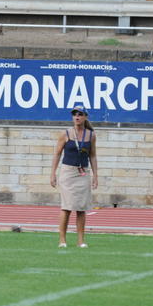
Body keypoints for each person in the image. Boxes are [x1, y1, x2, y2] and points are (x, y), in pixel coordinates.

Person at [50, 105, 98, 249]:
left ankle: (81, 241)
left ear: (85, 117)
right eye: (75, 114)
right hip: (68, 172)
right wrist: (53, 173)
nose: (77, 117)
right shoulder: (65, 134)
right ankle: (62, 240)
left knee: (81, 208)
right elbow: (57, 153)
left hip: (83, 173)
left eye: (80, 114)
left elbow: (93, 156)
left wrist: (95, 175)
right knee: (67, 207)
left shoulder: (91, 135)